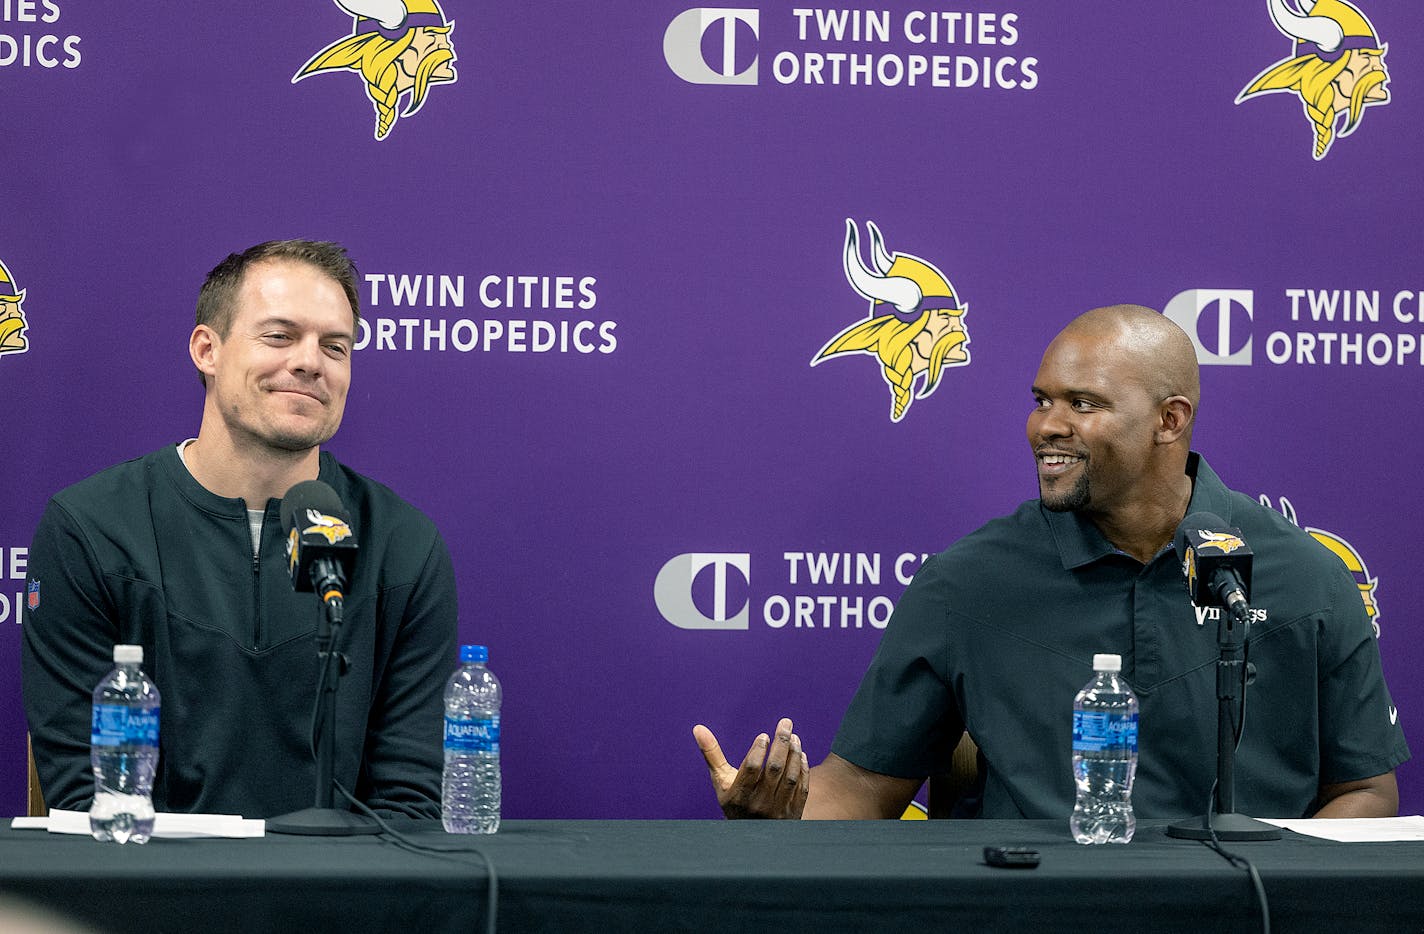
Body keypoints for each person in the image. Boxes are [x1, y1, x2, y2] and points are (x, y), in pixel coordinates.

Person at [695, 304, 1408, 820]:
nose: (1048, 427)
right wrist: (780, 812)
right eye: (1042, 401)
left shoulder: (1302, 575)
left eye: (1083, 404)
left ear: (1170, 420)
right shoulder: (967, 583)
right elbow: (860, 789)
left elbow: (1365, 788)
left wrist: (1283, 894)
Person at [21, 240, 458, 819]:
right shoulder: (93, 527)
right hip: (149, 899)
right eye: (279, 336)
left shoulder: (402, 545)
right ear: (208, 349)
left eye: (335, 346)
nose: (310, 362)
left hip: (342, 900)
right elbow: (88, 797)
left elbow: (411, 804)